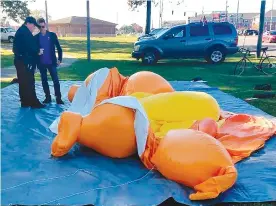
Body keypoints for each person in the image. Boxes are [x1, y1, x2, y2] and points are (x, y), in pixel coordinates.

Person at [13, 16, 45, 108]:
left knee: (23, 82)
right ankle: (34, 102)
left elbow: (20, 48)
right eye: (33, 26)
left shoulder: (21, 31)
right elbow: (31, 47)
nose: (34, 28)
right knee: (30, 81)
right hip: (24, 62)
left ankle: (25, 102)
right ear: (28, 23)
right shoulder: (25, 32)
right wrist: (38, 51)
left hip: (19, 60)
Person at [35, 18, 64, 104]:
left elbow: (59, 48)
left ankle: (58, 98)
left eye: (43, 26)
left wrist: (60, 59)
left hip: (52, 63)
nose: (41, 28)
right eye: (39, 27)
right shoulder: (36, 37)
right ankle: (47, 97)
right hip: (41, 63)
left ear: (45, 25)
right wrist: (37, 52)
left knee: (55, 80)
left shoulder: (52, 35)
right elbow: (33, 50)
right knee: (44, 81)